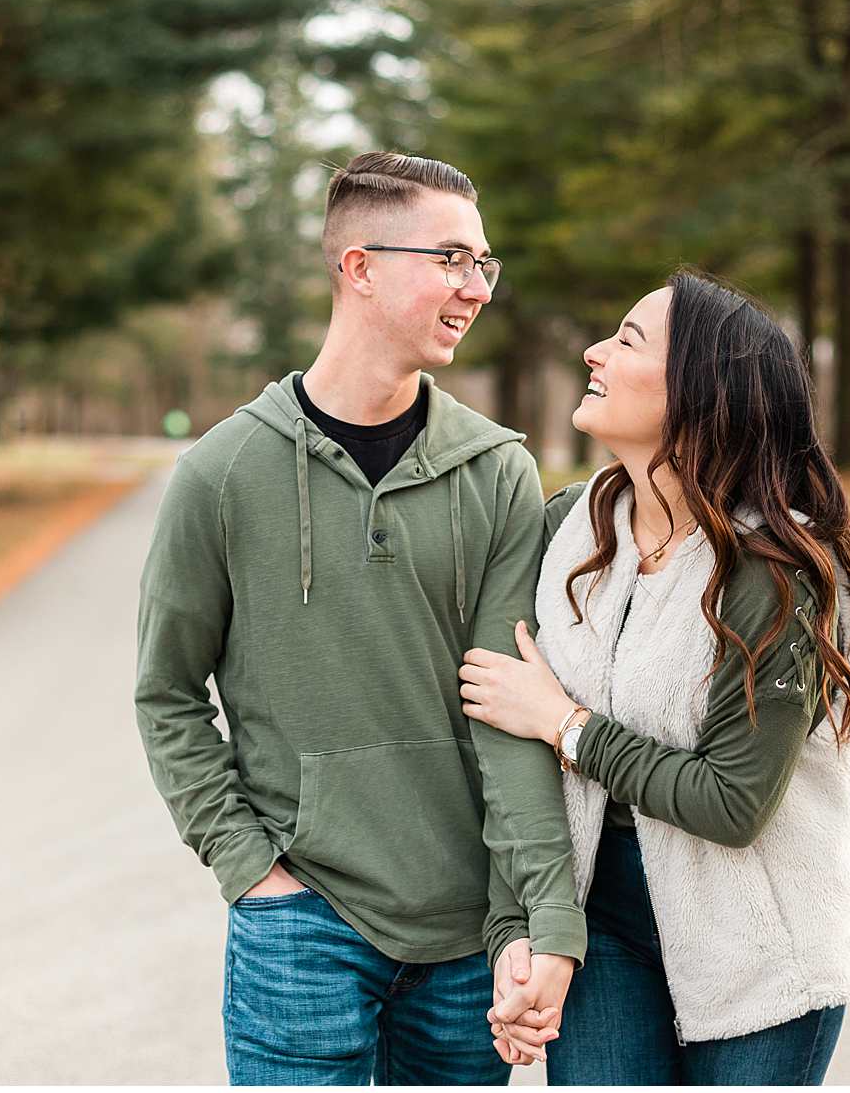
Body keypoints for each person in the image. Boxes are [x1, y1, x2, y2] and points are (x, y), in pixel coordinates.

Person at [134, 151, 582, 1086]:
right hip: (302, 915)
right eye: (451, 259)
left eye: (484, 264)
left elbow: (510, 706)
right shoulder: (221, 475)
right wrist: (251, 869)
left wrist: (537, 913)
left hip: (468, 933)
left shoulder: (496, 470)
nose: (477, 288)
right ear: (360, 266)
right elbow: (168, 692)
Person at [461, 269, 850, 1085]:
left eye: (626, 340)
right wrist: (519, 925)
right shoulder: (572, 526)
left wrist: (565, 725)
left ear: (699, 393)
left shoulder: (774, 572)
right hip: (606, 930)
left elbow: (732, 803)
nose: (593, 351)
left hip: (763, 951)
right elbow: (500, 735)